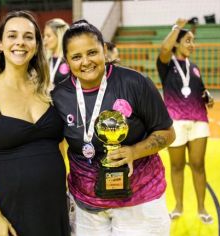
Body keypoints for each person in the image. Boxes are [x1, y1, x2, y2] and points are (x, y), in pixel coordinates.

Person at [52, 19, 175, 236]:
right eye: (76, 56)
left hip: (140, 200)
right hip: (86, 205)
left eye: (92, 52)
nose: (86, 62)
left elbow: (167, 133)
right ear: (66, 60)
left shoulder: (135, 83)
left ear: (104, 51)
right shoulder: (60, 96)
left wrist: (133, 151)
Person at [0, 10, 70, 236]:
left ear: (36, 45)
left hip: (53, 207)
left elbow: (59, 148)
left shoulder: (47, 90)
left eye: (28, 36)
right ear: (0, 44)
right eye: (12, 36)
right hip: (9, 212)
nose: (20, 42)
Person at [156, 18, 214, 224]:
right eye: (188, 40)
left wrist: (208, 96)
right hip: (176, 122)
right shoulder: (166, 64)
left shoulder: (195, 67)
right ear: (177, 43)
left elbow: (200, 90)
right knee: (177, 166)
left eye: (193, 41)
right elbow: (164, 48)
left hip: (199, 120)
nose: (192, 44)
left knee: (198, 165)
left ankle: (202, 207)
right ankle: (178, 206)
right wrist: (177, 28)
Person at [43, 18, 70, 88]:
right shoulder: (45, 60)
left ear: (59, 36)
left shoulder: (70, 59)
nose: (45, 39)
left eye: (48, 36)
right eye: (44, 36)